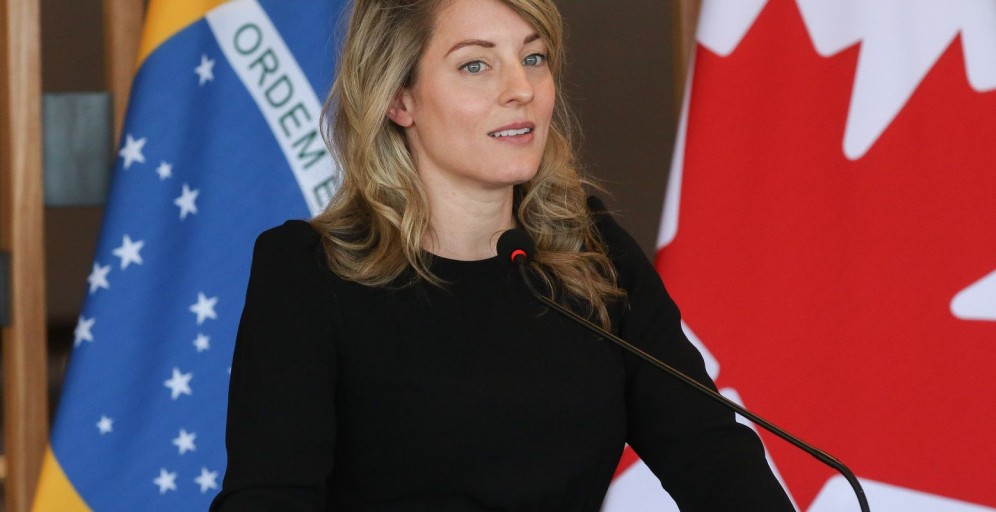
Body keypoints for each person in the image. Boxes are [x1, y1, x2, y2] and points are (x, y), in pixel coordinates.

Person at [210, 0, 795, 510]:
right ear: (398, 99)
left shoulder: (590, 251)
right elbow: (269, 496)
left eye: (533, 57)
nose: (521, 89)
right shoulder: (310, 269)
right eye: (475, 64)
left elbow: (711, 453)